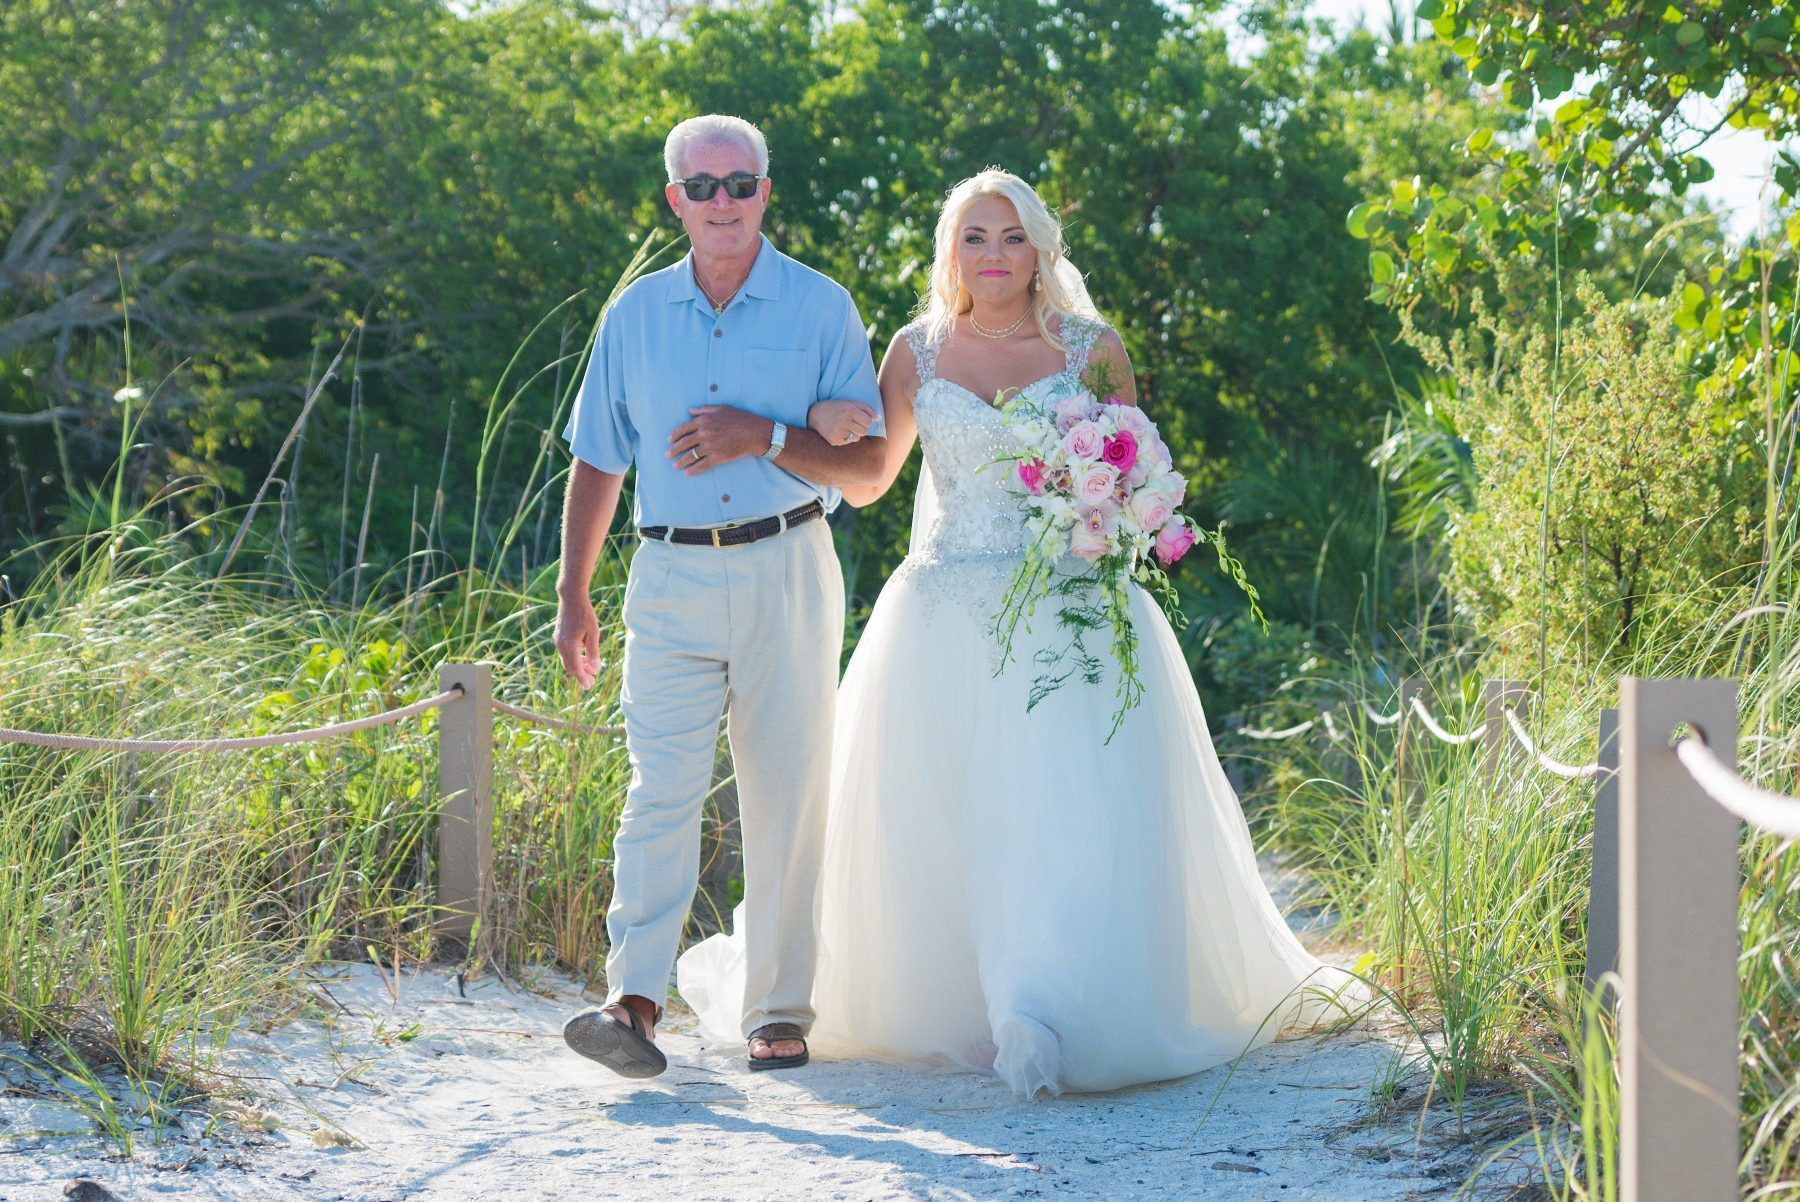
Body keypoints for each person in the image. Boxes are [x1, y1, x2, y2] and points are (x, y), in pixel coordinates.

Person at [678, 168, 1362, 1098]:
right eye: (974, 237)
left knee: (1061, 811)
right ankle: (970, 1002)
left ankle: (1044, 1005)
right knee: (956, 814)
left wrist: (1116, 515)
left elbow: (1134, 471)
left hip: (1071, 609)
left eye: (1010, 237)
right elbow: (873, 475)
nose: (993, 256)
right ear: (949, 251)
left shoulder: (1091, 348)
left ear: (1040, 248)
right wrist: (770, 434)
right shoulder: (915, 352)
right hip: (943, 611)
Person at [555, 114, 885, 1078]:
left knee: (785, 795)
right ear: (675, 201)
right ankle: (636, 1004)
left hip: (789, 565)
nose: (723, 202)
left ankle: (777, 1010)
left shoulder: (822, 308)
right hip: (667, 573)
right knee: (659, 790)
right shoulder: (633, 317)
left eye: (740, 183)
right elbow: (595, 461)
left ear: (765, 192)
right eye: (702, 187)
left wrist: (766, 433)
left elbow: (864, 470)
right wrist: (574, 592)